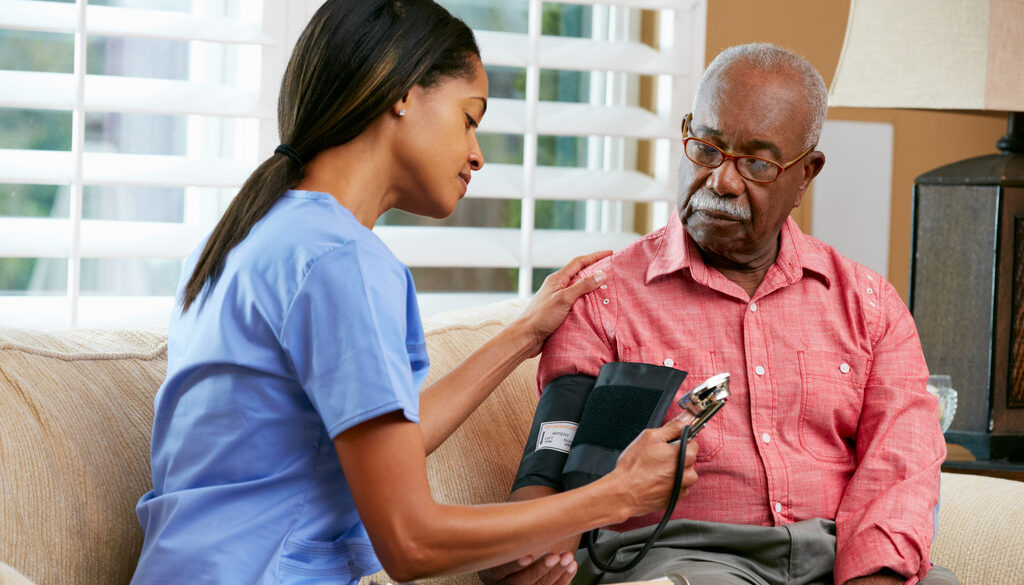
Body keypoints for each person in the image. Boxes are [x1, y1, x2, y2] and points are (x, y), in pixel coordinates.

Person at [128, 2, 700, 584]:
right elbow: (409, 542)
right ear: (403, 93)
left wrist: (525, 334)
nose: (477, 153)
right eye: (469, 117)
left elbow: (377, 446)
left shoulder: (249, 235)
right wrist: (616, 495)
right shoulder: (342, 262)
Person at [482, 44, 956, 585]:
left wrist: (875, 575)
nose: (722, 181)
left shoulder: (869, 306)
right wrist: (525, 548)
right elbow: (552, 464)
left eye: (757, 163)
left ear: (806, 174)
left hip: (837, 558)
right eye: (706, 148)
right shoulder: (603, 296)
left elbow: (902, 466)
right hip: (681, 560)